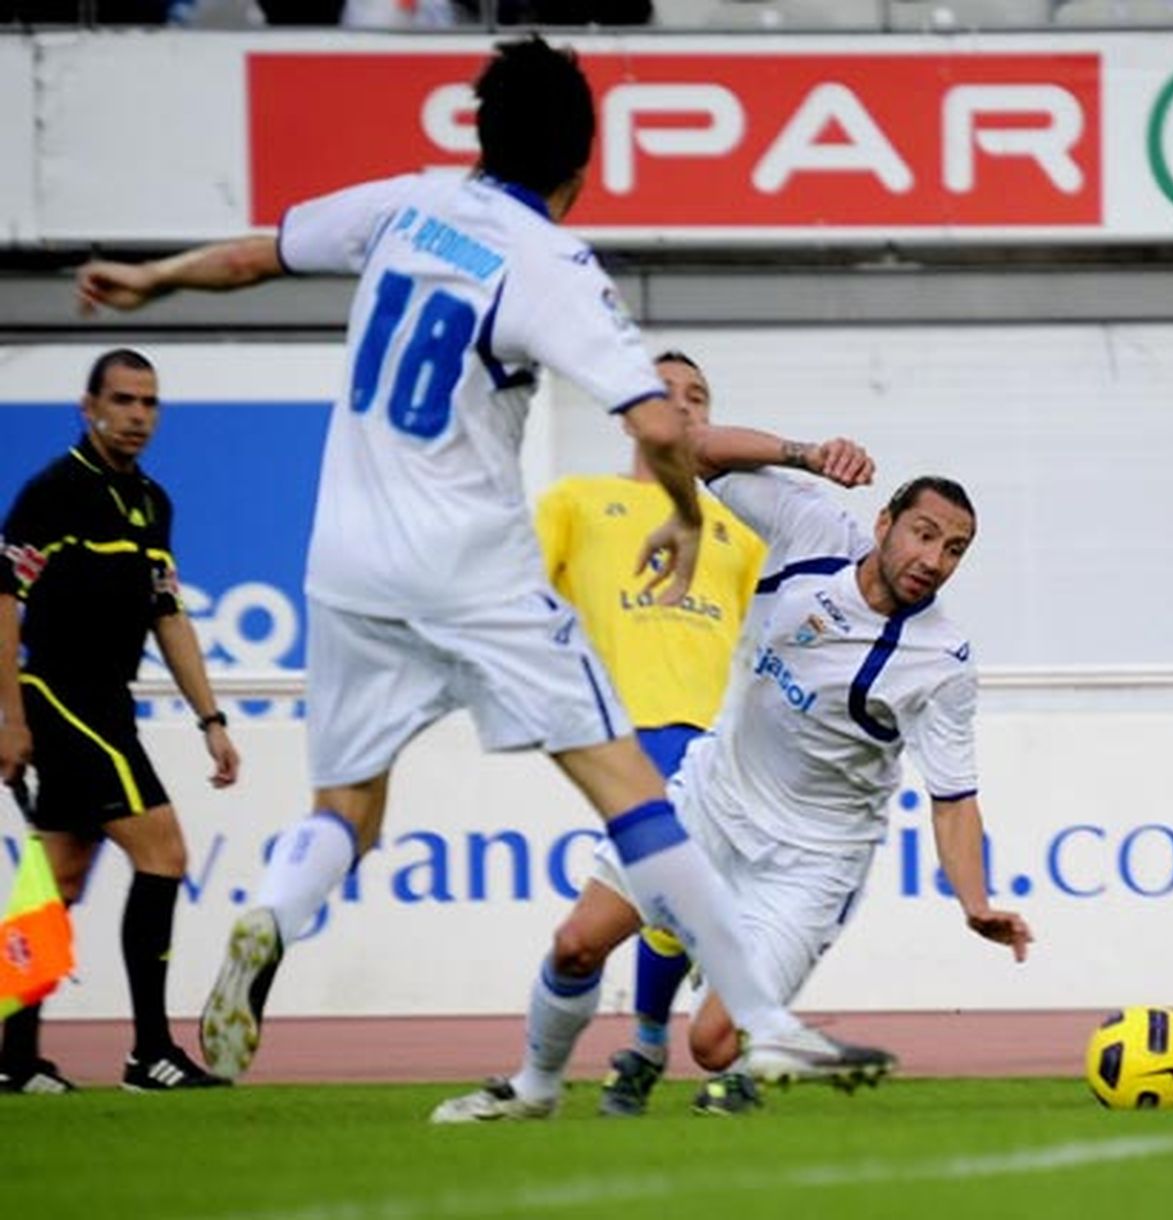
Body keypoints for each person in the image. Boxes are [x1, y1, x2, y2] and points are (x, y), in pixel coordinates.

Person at [73, 34, 893, 1088]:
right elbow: (655, 420)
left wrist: (152, 278)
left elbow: (256, 254)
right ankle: (768, 1017)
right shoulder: (550, 263)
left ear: (478, 131)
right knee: (634, 791)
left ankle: (272, 913)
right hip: (466, 559)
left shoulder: (409, 204)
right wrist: (685, 514)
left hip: (346, 558)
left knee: (345, 813)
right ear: (580, 170)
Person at [432, 450, 1032, 1122]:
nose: (935, 560)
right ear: (884, 522)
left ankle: (732, 1045)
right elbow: (693, 451)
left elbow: (954, 800)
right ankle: (535, 1088)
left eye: (955, 550)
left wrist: (974, 902)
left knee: (713, 1044)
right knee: (576, 945)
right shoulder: (814, 532)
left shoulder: (941, 663)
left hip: (812, 858)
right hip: (711, 802)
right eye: (924, 534)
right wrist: (802, 453)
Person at [536, 356, 876, 1116]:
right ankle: (661, 1045)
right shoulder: (579, 501)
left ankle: (654, 1046)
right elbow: (522, 597)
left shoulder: (736, 525)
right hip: (628, 731)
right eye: (668, 396)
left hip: (725, 743)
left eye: (701, 399)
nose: (685, 410)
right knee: (674, 891)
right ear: (631, 411)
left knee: (691, 894)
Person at [0, 348, 240, 1093]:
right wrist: (10, 719)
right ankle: (149, 1053)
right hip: (61, 698)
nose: (138, 415)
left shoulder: (151, 502)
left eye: (149, 403)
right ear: (88, 405)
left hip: (109, 701)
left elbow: (167, 612)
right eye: (124, 400)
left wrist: (211, 718)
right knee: (163, 852)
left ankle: (14, 1060)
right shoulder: (54, 493)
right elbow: (4, 604)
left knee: (58, 879)